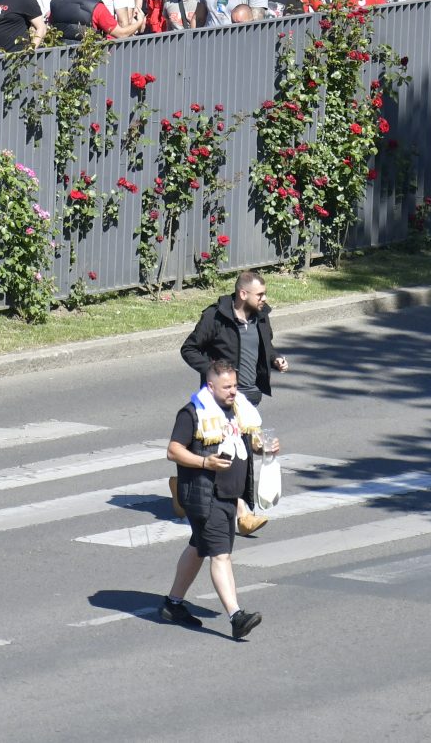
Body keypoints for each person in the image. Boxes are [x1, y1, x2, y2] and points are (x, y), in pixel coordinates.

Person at [159, 360, 269, 641]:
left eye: (234, 385)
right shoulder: (193, 413)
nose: (233, 391)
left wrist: (262, 447)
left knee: (199, 546)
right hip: (205, 495)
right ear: (210, 386)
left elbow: (246, 439)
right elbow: (173, 451)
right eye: (227, 387)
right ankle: (236, 616)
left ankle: (172, 605)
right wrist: (204, 462)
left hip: (229, 494)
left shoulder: (238, 408)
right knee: (221, 555)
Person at [181, 270, 290, 402]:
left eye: (264, 294)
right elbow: (188, 349)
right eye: (260, 295)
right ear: (243, 294)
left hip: (251, 395)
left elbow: (266, 347)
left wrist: (275, 358)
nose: (264, 299)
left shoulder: (261, 317)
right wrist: (212, 370)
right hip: (222, 398)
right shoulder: (216, 317)